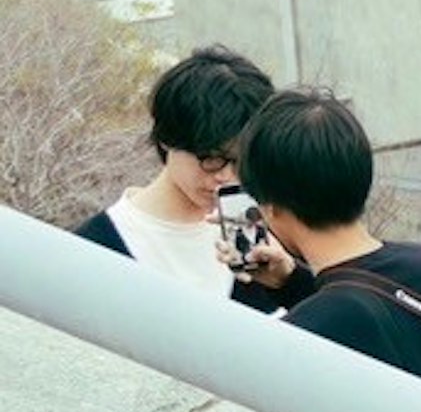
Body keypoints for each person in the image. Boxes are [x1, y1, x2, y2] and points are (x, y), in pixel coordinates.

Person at [230, 87, 421, 397]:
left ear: (270, 208)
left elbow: (346, 319)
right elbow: (363, 321)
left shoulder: (297, 339)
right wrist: (292, 282)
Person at [73, 46, 276, 302]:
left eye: (243, 160)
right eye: (211, 158)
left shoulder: (274, 239)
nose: (228, 176)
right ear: (168, 138)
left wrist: (287, 281)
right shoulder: (94, 248)